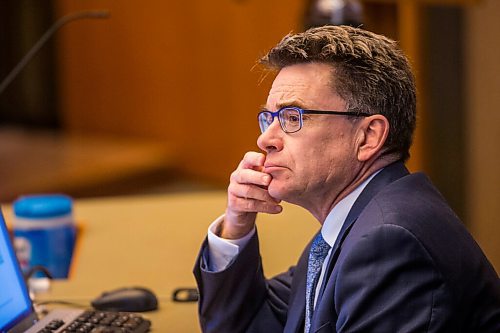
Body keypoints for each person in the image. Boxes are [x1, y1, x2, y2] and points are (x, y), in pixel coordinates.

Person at [193, 25, 500, 332]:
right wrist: (236, 226)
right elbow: (250, 325)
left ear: (368, 136)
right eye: (269, 119)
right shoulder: (356, 222)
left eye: (292, 118)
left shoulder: (389, 242)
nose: (266, 140)